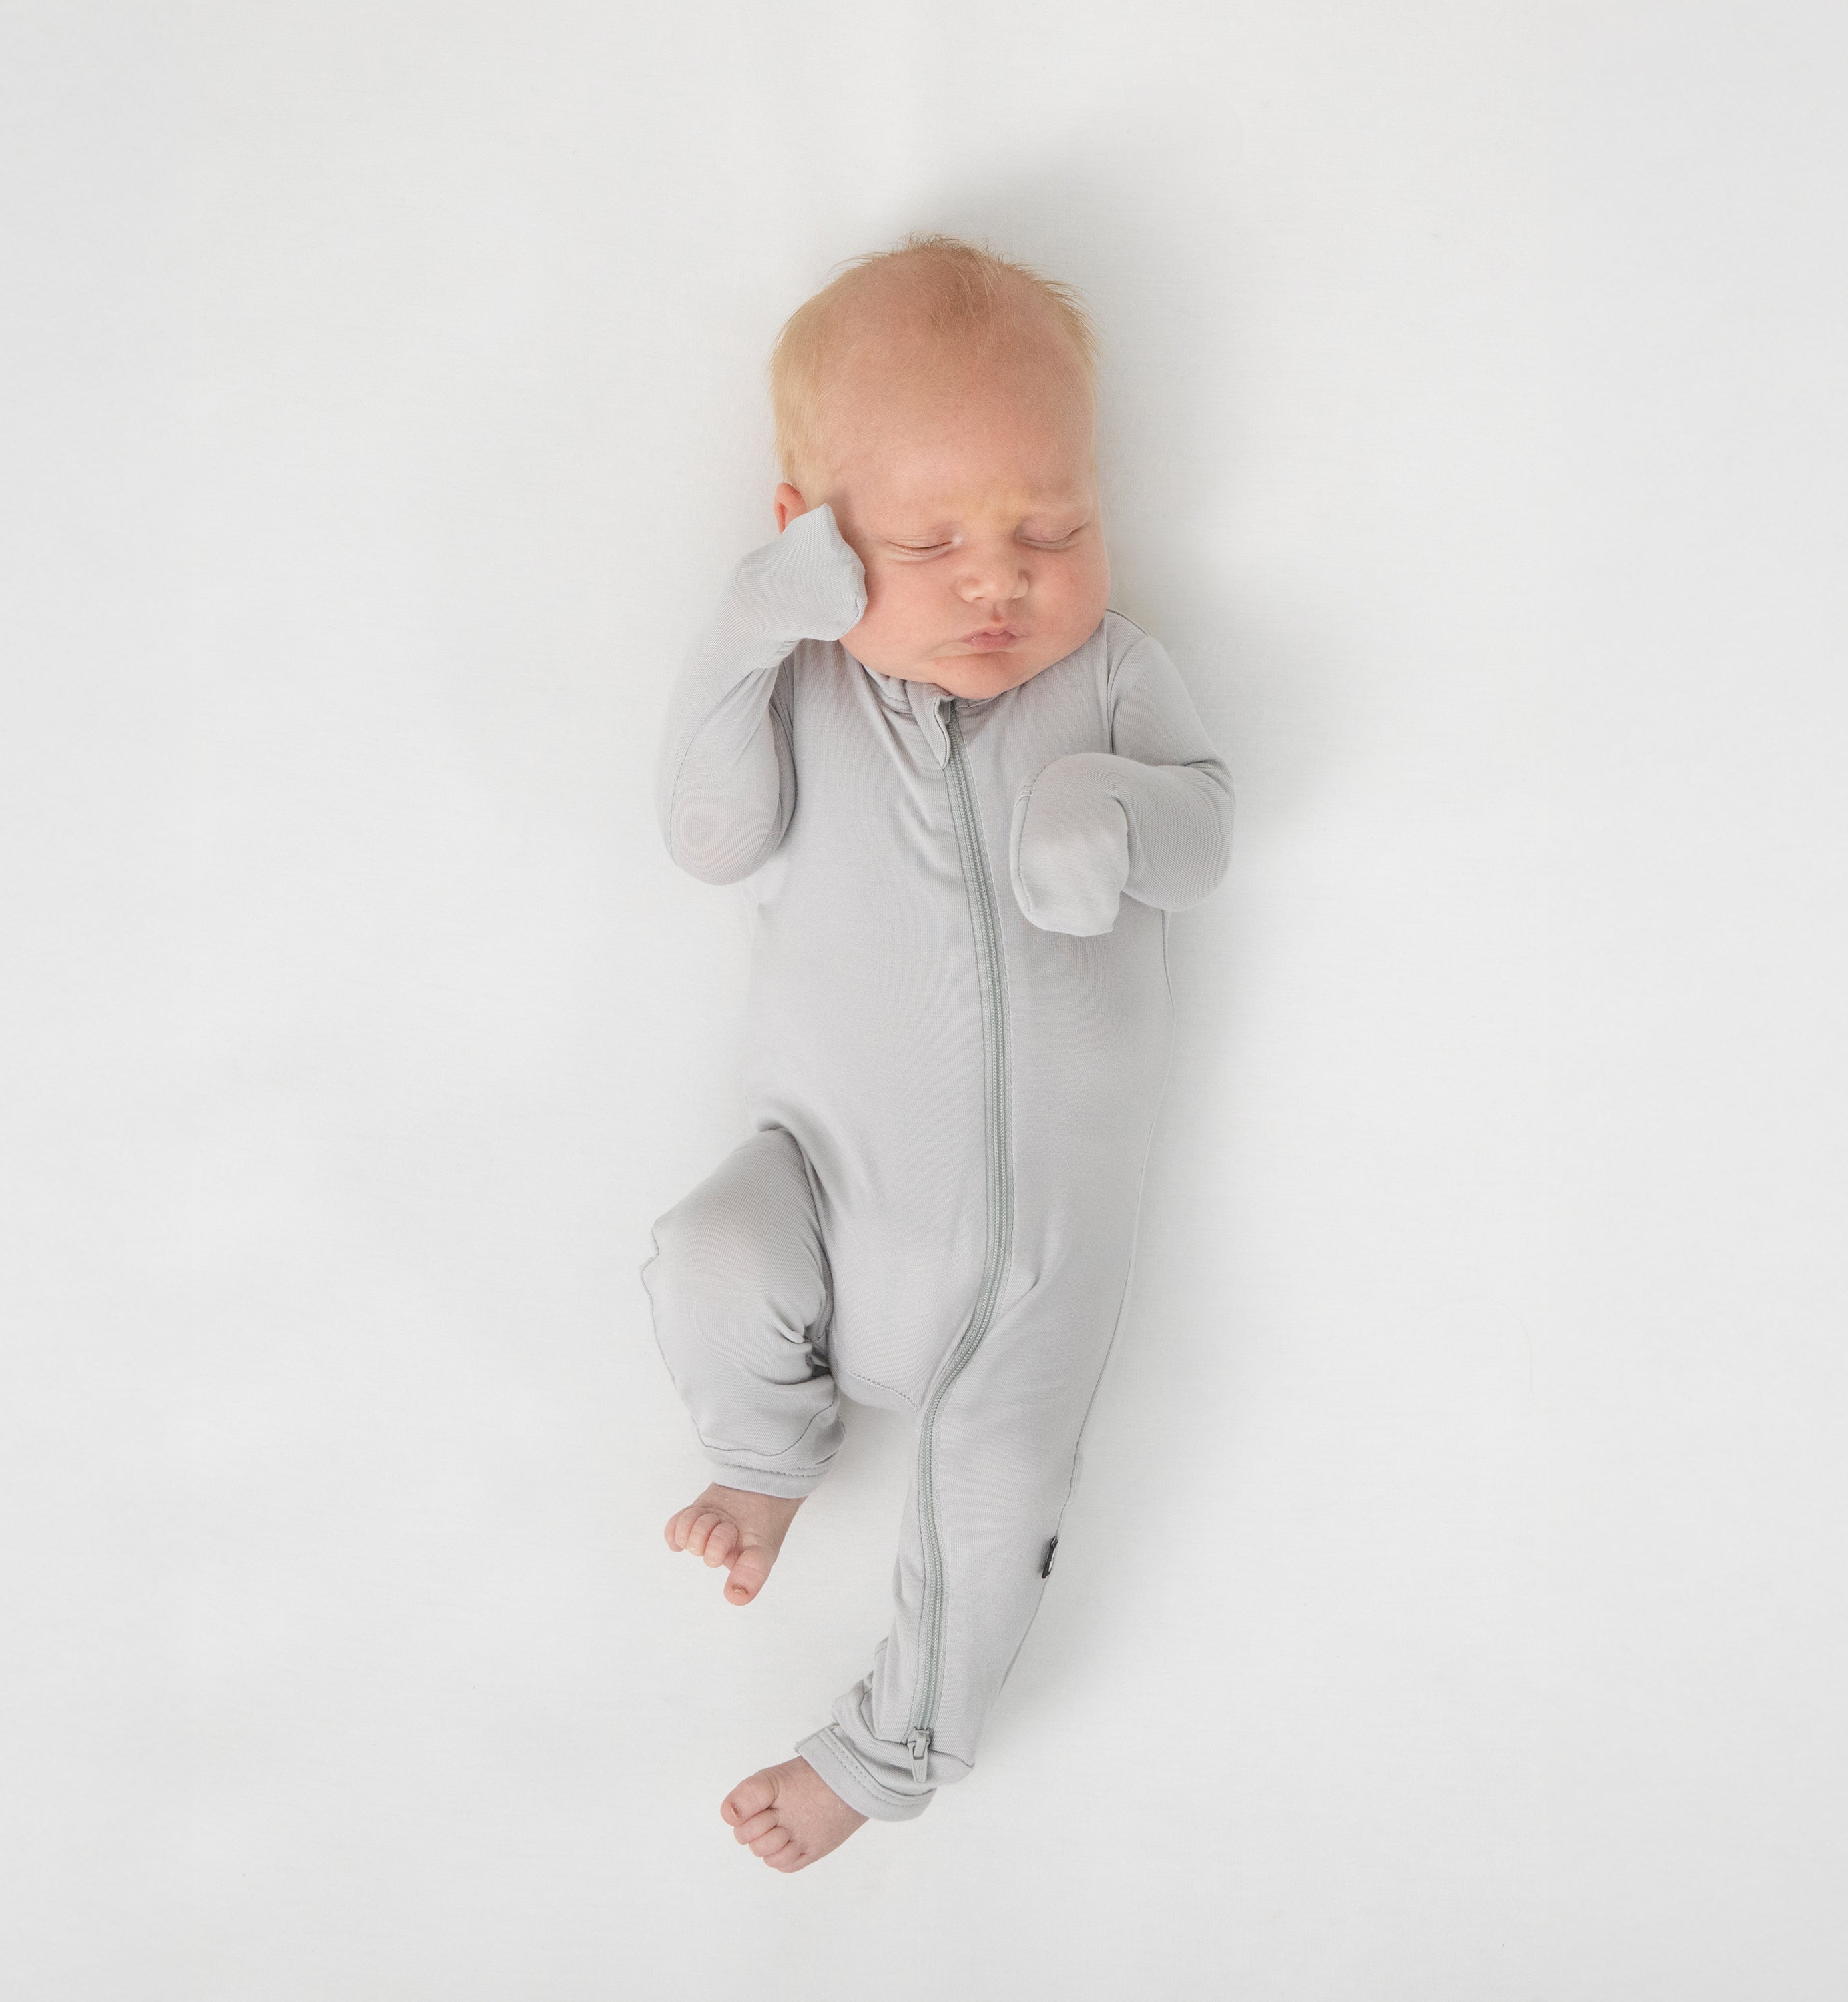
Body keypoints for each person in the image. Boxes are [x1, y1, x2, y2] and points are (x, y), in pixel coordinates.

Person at [641, 232, 1235, 1871]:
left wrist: (1114, 806)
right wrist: (747, 637)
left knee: (995, 1503)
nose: (1001, 580)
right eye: (929, 541)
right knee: (706, 1250)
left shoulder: (1111, 674)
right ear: (814, 547)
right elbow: (704, 839)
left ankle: (882, 1756)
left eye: (1054, 529)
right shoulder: (807, 695)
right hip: (823, 1186)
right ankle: (764, 1454)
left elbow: (1207, 837)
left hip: (1044, 1263)